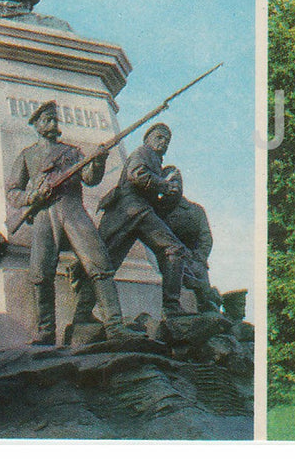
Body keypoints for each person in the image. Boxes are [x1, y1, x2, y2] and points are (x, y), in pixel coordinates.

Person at [5, 101, 135, 344]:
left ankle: (115, 326)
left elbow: (90, 179)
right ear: (37, 125)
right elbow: (13, 192)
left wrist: (99, 160)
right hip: (45, 213)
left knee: (99, 263)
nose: (53, 124)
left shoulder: (72, 152)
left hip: (73, 208)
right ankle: (45, 332)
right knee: (40, 273)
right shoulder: (28, 155)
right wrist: (32, 196)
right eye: (47, 120)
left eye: (55, 119)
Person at [84, 123, 188, 320]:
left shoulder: (155, 161)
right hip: (133, 209)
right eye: (159, 136)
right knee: (173, 249)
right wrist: (164, 185)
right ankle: (172, 306)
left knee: (107, 263)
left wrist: (168, 192)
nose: (163, 141)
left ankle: (82, 312)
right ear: (147, 138)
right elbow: (136, 174)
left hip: (134, 213)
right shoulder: (144, 152)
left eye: (167, 139)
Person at [156, 166, 223, 312]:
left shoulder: (195, 210)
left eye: (179, 181)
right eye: (171, 181)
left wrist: (198, 258)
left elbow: (206, 238)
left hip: (195, 264)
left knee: (206, 307)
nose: (176, 185)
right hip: (169, 264)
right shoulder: (156, 211)